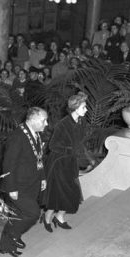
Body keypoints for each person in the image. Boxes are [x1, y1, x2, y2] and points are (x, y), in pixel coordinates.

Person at [0, 107, 48, 257]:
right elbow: (8, 164)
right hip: (18, 186)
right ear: (32, 120)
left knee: (20, 214)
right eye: (43, 120)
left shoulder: (36, 134)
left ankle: (6, 245)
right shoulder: (17, 136)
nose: (46, 124)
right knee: (32, 214)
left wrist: (43, 177)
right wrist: (11, 187)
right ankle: (12, 235)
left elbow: (39, 158)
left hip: (32, 183)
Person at [42, 92, 90, 231]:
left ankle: (60, 216)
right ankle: (47, 216)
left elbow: (79, 142)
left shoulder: (81, 121)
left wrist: (82, 156)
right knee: (57, 193)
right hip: (59, 163)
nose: (86, 110)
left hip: (71, 162)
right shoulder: (63, 124)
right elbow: (52, 146)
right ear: (75, 108)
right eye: (83, 107)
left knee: (71, 192)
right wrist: (71, 150)